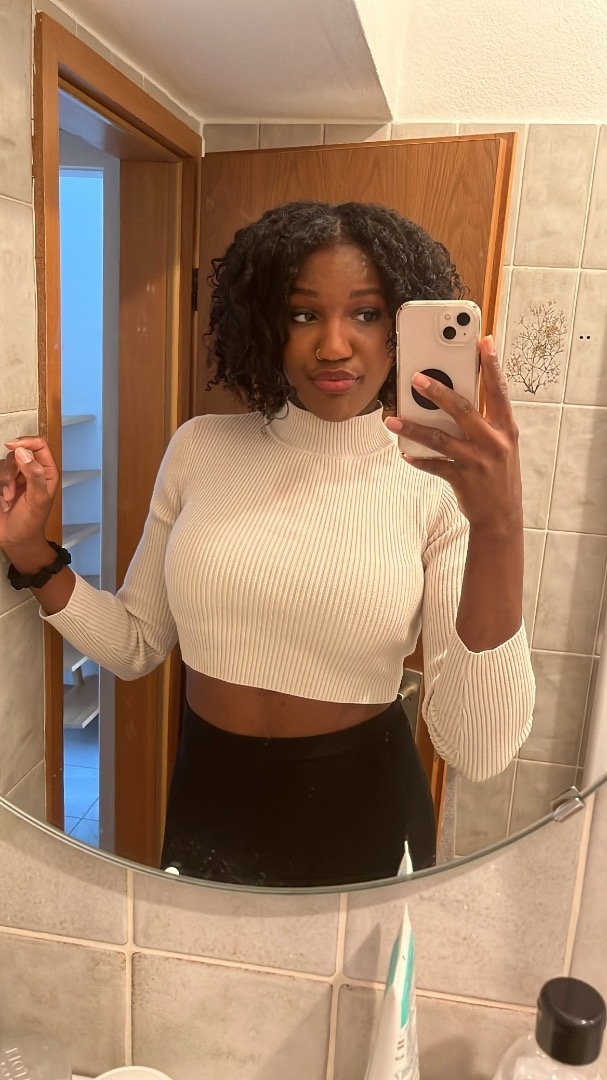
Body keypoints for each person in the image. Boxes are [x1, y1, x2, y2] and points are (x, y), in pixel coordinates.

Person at [0, 201, 534, 888]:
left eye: (366, 313)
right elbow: (135, 644)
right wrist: (30, 552)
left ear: (402, 326)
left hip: (362, 813)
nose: (334, 345)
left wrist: (499, 525)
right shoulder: (200, 447)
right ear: (264, 324)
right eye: (303, 313)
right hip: (209, 795)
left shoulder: (437, 479)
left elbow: (478, 749)